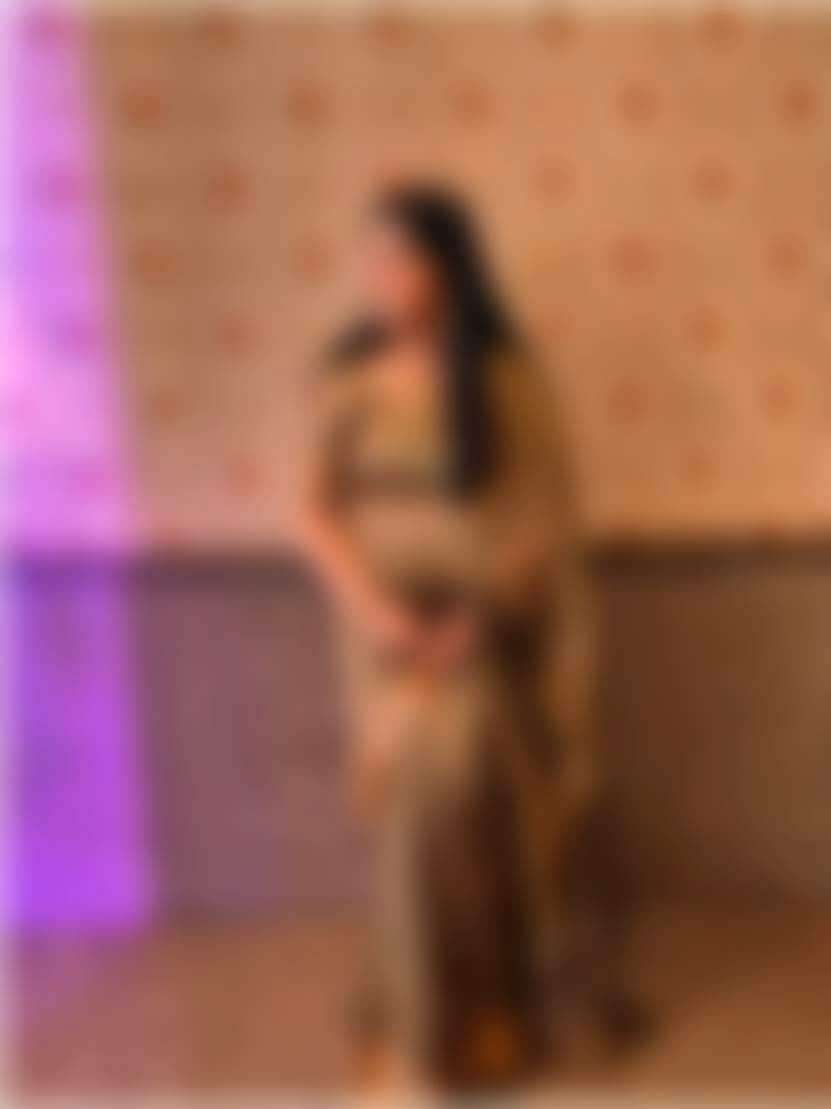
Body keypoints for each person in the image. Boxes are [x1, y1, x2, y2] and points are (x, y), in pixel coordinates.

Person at [296, 183, 604, 1091]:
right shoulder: (349, 380)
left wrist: (479, 617)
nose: (382, 276)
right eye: (373, 258)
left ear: (449, 268)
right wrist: (380, 613)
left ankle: (476, 1010)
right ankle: (420, 1026)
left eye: (402, 257)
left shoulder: (503, 382)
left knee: (457, 773)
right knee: (415, 791)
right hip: (383, 642)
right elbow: (313, 511)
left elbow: (543, 519)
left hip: (483, 637)